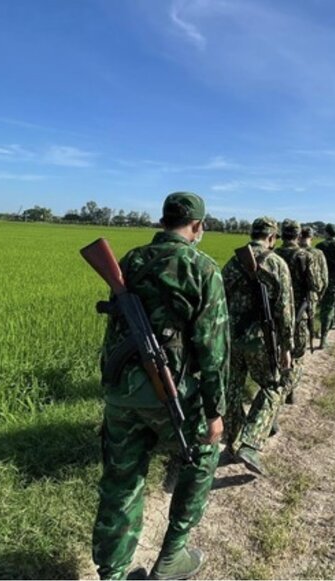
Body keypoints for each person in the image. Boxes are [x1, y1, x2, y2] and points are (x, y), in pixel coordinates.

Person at [92, 192, 229, 581]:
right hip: (170, 394)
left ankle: (113, 572)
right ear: (198, 226)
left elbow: (117, 328)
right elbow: (213, 348)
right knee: (203, 454)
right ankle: (173, 555)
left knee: (120, 481)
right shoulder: (202, 268)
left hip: (122, 392)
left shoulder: (131, 260)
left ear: (164, 219)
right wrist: (215, 411)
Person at [222, 217, 294, 475]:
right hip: (261, 340)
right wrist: (287, 347)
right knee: (274, 386)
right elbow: (285, 310)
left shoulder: (232, 262)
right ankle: (251, 442)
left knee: (231, 389)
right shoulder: (276, 263)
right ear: (272, 238)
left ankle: (231, 443)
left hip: (231, 338)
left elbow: (218, 300)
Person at [275, 219, 321, 405]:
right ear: (299, 235)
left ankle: (278, 387)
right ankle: (286, 393)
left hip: (276, 314)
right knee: (297, 355)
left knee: (277, 352)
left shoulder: (273, 254)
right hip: (298, 314)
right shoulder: (304, 256)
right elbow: (316, 285)